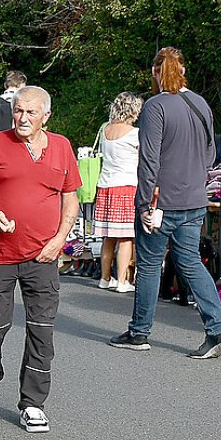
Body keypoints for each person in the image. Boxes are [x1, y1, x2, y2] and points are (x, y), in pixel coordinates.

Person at [0, 85, 80, 433]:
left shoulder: (61, 147)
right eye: (18, 111)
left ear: (46, 116)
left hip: (42, 257)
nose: (22, 118)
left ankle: (33, 403)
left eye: (30, 112)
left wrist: (59, 241)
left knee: (42, 332)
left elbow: (70, 200)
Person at [109, 48, 221, 359]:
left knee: (151, 264)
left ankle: (139, 332)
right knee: (190, 262)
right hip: (194, 198)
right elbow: (211, 154)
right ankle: (217, 327)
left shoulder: (155, 107)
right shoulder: (200, 103)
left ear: (155, 72)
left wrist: (142, 203)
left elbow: (149, 159)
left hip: (161, 200)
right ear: (183, 71)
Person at [93, 92, 142, 293]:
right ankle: (122, 281)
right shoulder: (134, 133)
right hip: (126, 185)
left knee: (108, 236)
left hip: (105, 185)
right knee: (126, 237)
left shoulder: (106, 129)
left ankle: (105, 278)